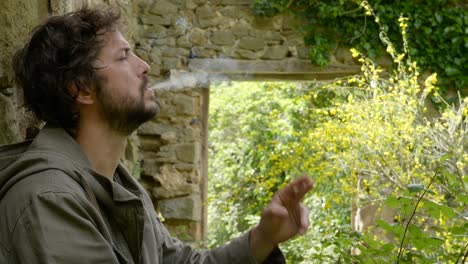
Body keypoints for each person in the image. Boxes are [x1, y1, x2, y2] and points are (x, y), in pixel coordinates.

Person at [0, 7, 313, 264]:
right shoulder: (49, 199)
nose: (145, 66)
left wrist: (262, 238)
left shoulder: (120, 186)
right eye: (124, 57)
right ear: (80, 88)